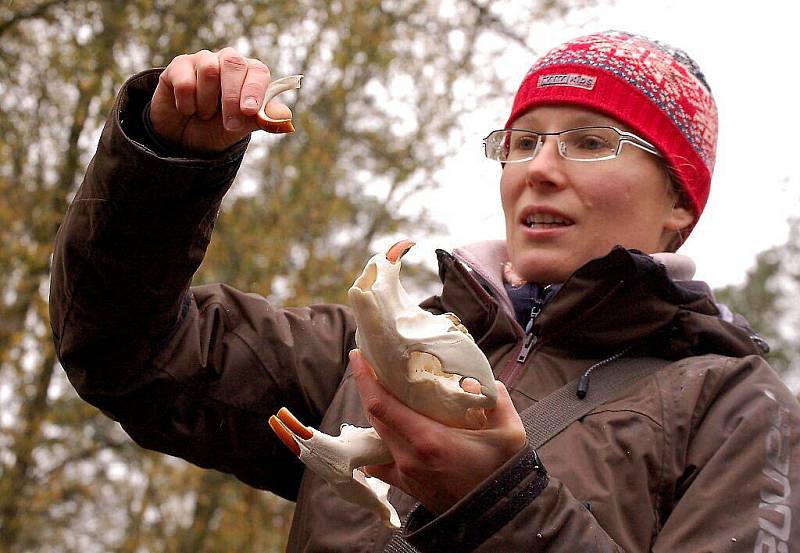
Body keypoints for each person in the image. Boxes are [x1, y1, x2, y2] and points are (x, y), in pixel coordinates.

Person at [50, 30, 800, 551]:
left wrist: (502, 507)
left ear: (680, 203)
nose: (539, 166)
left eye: (591, 141)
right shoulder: (379, 348)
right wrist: (164, 163)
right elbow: (131, 352)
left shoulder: (735, 406)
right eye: (523, 140)